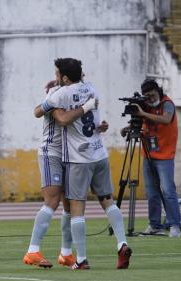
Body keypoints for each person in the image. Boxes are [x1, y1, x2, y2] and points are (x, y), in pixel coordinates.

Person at [45, 58, 132, 269]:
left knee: (77, 208)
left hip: (78, 158)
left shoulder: (61, 93)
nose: (55, 77)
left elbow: (50, 114)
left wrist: (49, 94)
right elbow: (92, 116)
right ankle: (122, 243)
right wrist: (97, 123)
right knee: (107, 200)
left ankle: (81, 259)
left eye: (57, 74)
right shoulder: (92, 88)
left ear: (64, 77)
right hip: (99, 153)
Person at [22, 80, 75, 269]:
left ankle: (66, 254)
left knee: (70, 204)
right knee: (52, 201)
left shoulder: (81, 93)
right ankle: (32, 251)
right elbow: (38, 111)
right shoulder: (56, 92)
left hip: (71, 154)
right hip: (51, 152)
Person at [128, 79, 181, 238]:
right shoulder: (146, 105)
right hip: (149, 153)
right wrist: (129, 128)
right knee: (152, 192)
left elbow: (165, 119)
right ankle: (154, 225)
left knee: (168, 191)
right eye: (147, 96)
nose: (150, 99)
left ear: (158, 91)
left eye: (152, 95)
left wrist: (143, 113)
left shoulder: (167, 103)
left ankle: (174, 225)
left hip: (165, 155)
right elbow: (143, 122)